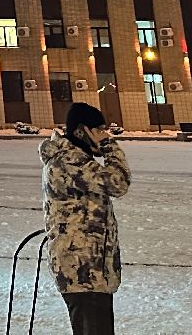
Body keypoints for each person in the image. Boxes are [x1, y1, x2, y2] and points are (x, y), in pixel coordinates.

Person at [40, 102, 132, 335]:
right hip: (81, 270)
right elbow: (117, 182)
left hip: (90, 270)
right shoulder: (69, 160)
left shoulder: (77, 159)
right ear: (83, 131)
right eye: (99, 129)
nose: (104, 134)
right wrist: (109, 146)